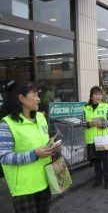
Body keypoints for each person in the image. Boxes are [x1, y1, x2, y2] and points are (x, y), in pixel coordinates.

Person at [0, 81, 60, 213]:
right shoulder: (7, 124)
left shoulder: (40, 117)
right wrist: (35, 154)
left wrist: (54, 148)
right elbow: (4, 157)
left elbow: (46, 140)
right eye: (34, 95)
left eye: (38, 94)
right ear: (21, 98)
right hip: (23, 188)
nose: (39, 98)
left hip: (45, 181)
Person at [83, 86, 108, 189]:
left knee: (106, 161)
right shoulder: (86, 108)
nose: (98, 96)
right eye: (96, 94)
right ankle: (98, 180)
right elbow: (82, 122)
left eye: (100, 94)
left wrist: (103, 125)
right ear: (91, 96)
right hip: (91, 139)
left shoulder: (105, 106)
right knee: (96, 162)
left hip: (103, 138)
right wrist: (89, 123)